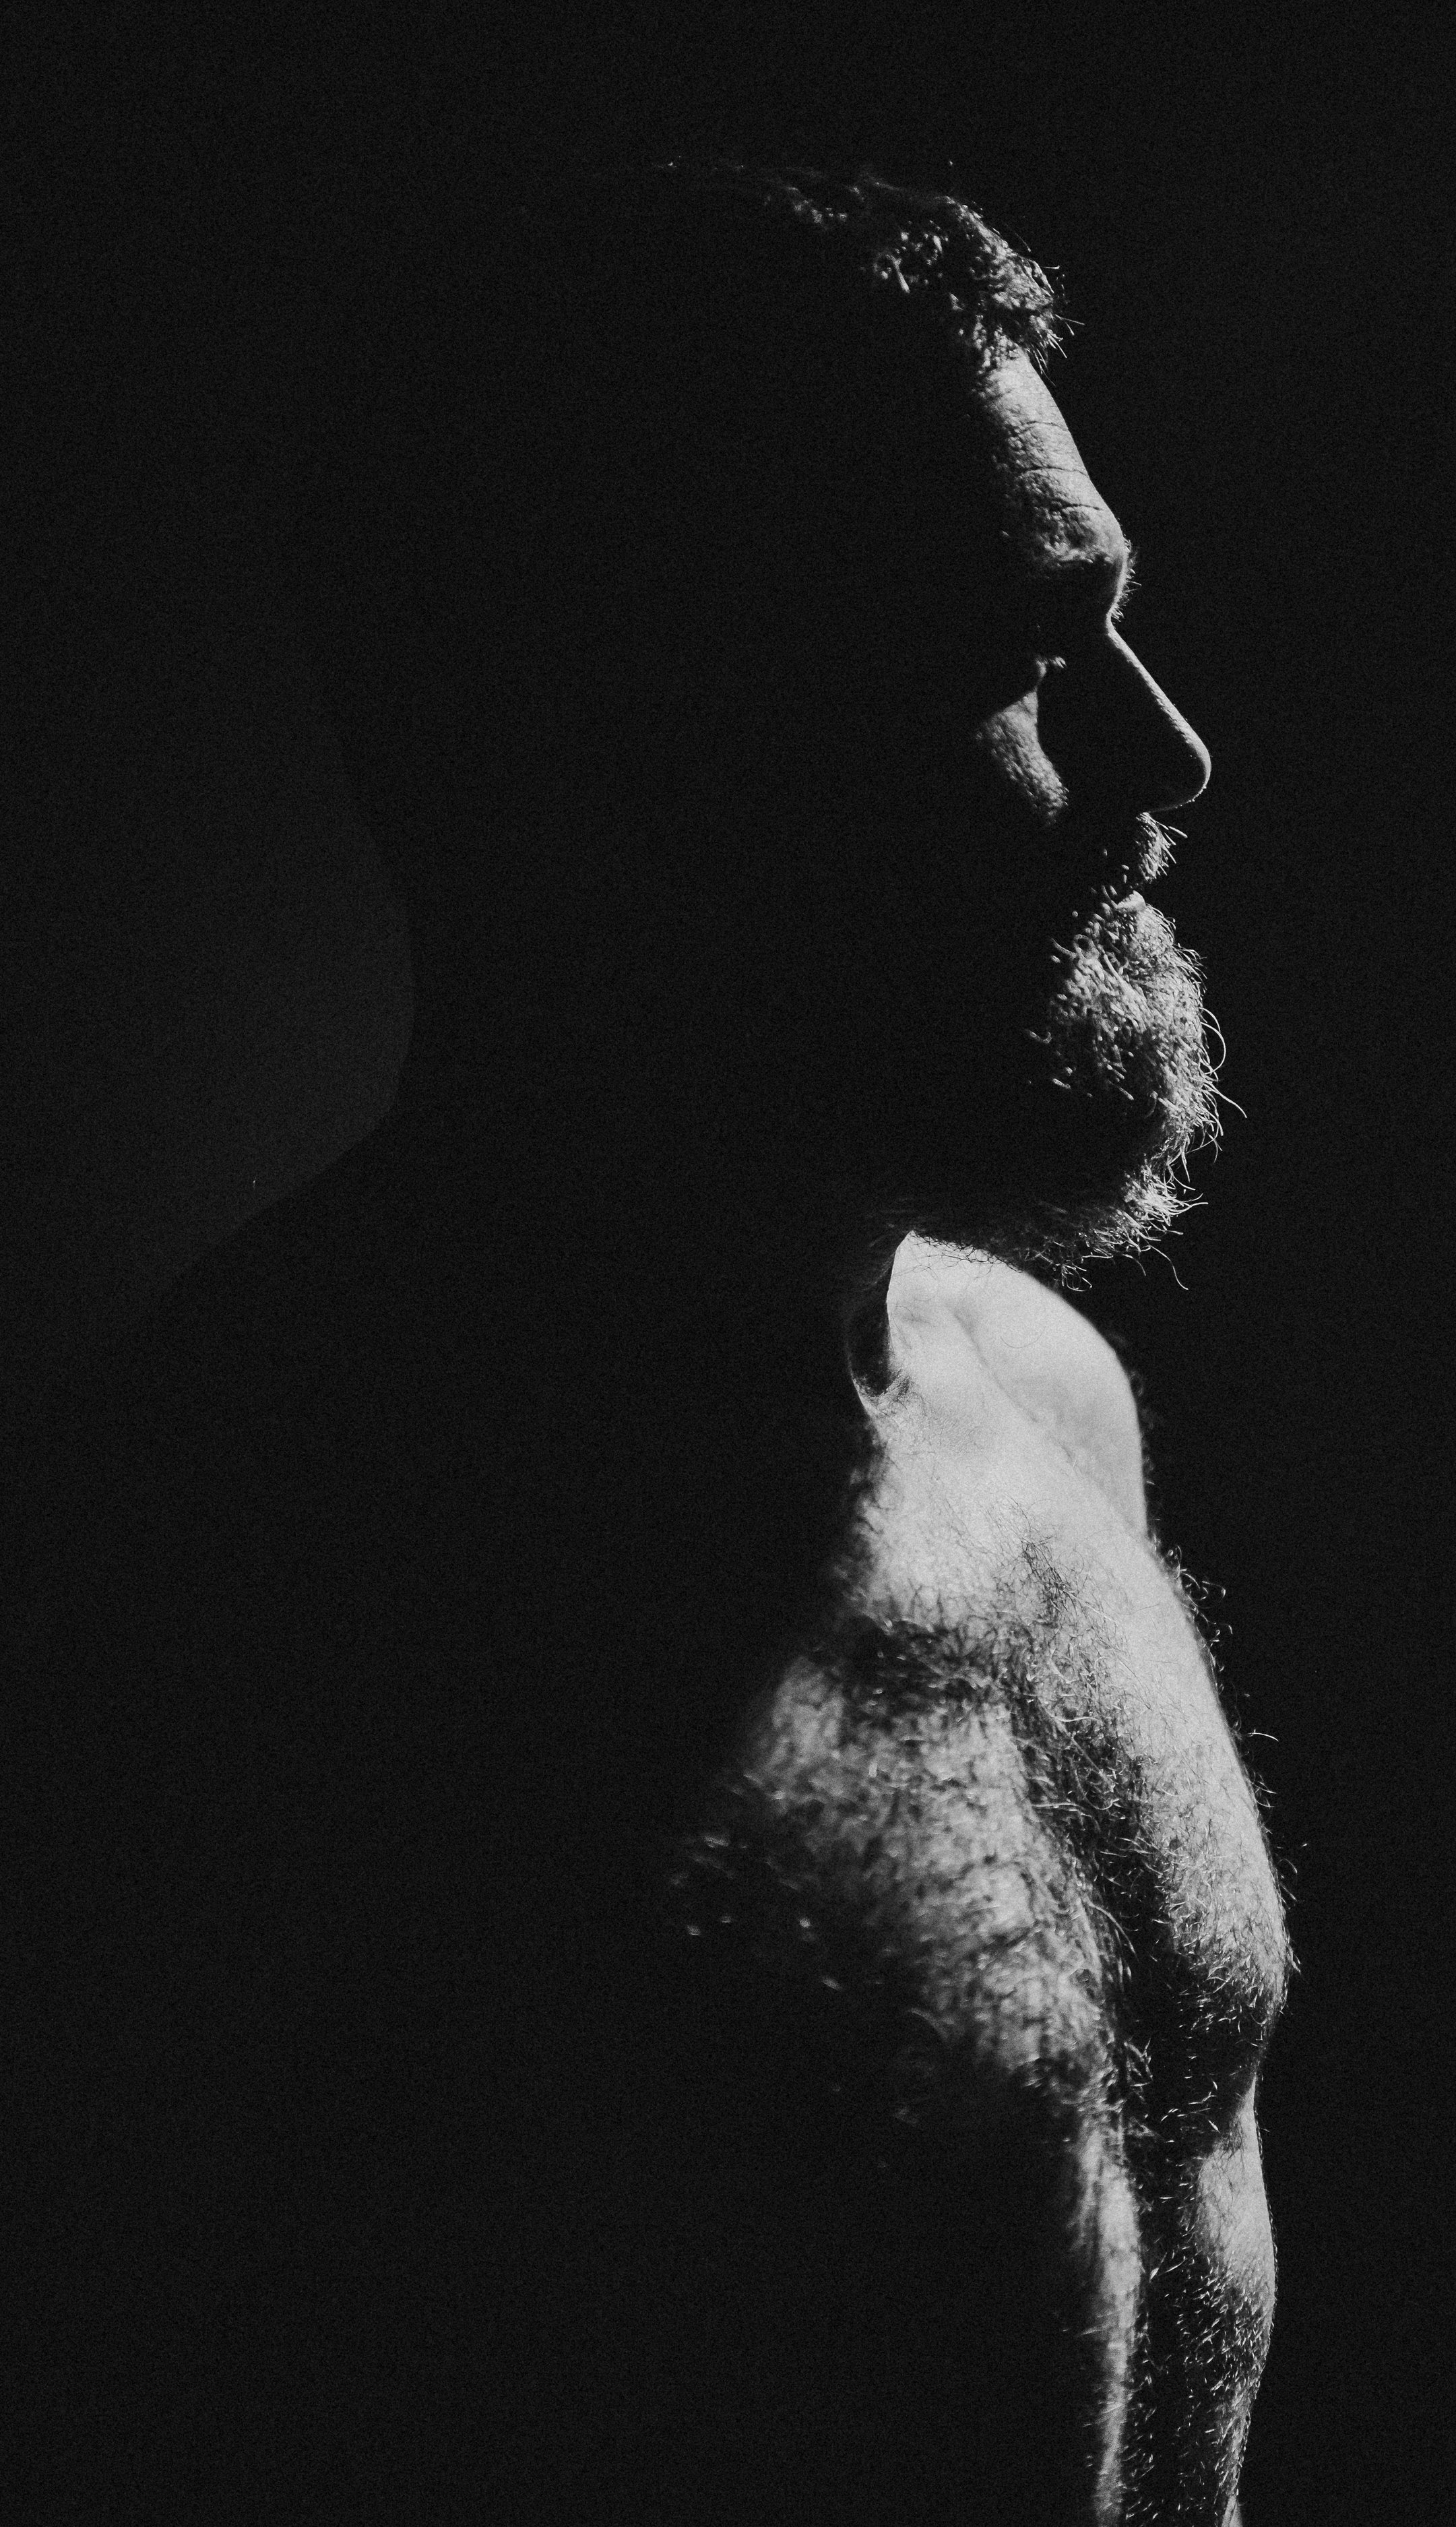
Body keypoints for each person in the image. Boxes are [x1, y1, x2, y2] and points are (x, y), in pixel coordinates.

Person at [1, 162, 1290, 2524]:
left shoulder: (1045, 1404)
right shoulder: (220, 1603)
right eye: (1017, 661)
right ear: (628, 746)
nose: (1162, 759)